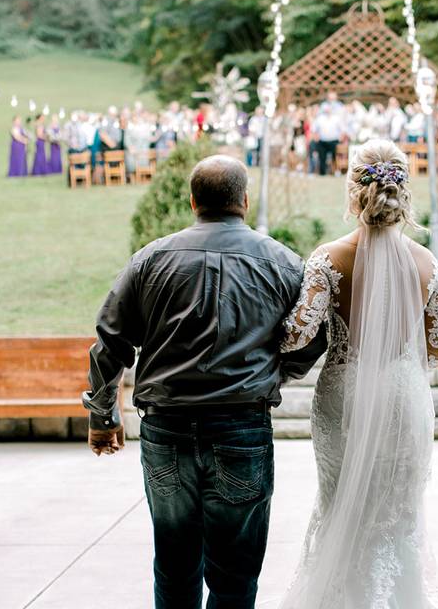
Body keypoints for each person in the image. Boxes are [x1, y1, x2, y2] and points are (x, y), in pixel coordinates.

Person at [83, 154, 328, 608]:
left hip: (166, 429)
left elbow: (110, 341)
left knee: (174, 567)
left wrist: (102, 416)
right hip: (242, 429)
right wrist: (278, 371)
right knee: (235, 575)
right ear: (245, 202)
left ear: (193, 201)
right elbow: (314, 335)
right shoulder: (283, 264)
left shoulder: (150, 260)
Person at [278, 138, 438, 608]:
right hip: (403, 398)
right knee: (397, 516)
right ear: (402, 192)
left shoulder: (328, 258)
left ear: (354, 191)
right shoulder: (427, 264)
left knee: (340, 506)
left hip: (345, 396)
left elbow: (295, 337)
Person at [312, 95, 344, 176]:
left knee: (335, 157)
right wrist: (316, 137)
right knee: (322, 157)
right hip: (322, 141)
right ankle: (322, 173)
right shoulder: (320, 118)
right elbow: (314, 129)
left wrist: (341, 137)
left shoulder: (336, 118)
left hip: (334, 140)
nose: (327, 110)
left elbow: (342, 129)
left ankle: (336, 171)